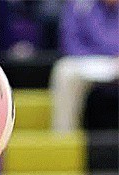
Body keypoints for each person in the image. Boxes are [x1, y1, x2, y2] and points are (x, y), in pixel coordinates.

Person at [50, 0, 119, 132]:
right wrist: (106, 59)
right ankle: (64, 140)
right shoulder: (79, 4)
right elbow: (70, 43)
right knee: (64, 71)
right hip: (89, 62)